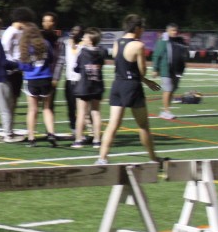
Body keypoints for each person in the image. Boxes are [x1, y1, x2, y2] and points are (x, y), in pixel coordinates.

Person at [96, 14, 164, 166]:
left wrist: (147, 82)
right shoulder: (138, 46)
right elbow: (141, 71)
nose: (143, 31)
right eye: (142, 28)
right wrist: (145, 78)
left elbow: (123, 67)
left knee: (113, 125)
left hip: (117, 85)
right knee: (143, 126)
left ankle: (102, 158)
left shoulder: (117, 43)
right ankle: (153, 158)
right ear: (137, 28)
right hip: (132, 87)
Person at [17, 23, 58, 147]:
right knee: (46, 108)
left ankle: (31, 138)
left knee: (32, 110)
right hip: (46, 78)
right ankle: (51, 133)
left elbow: (23, 65)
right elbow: (52, 59)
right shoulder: (46, 43)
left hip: (31, 79)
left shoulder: (25, 45)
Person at [71, 28, 106, 149]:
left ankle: (78, 140)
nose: (83, 39)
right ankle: (97, 140)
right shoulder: (102, 52)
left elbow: (76, 68)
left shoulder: (83, 52)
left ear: (90, 40)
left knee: (81, 113)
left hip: (84, 86)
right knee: (96, 112)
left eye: (85, 37)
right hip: (97, 85)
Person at [1, 7, 35, 127]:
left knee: (14, 100)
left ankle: (10, 127)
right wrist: (12, 65)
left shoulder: (22, 32)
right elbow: (5, 52)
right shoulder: (10, 33)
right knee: (8, 101)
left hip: (18, 70)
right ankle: (5, 128)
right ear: (21, 20)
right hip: (10, 71)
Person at [152, 23, 186, 120]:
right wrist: (155, 69)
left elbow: (183, 54)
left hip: (177, 70)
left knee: (172, 90)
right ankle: (166, 111)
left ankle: (165, 110)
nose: (175, 32)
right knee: (168, 90)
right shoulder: (163, 41)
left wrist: (182, 67)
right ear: (167, 31)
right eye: (172, 30)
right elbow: (157, 55)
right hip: (166, 69)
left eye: (176, 30)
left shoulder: (179, 41)